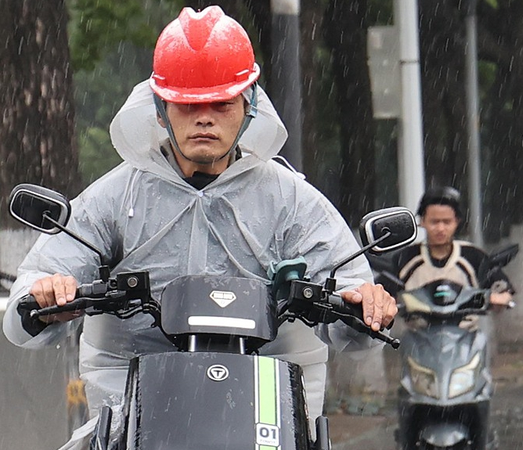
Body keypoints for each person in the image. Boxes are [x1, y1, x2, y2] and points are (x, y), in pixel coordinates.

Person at [2, 5, 395, 448]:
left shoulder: (292, 200)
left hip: (270, 414)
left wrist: (365, 302)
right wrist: (46, 296)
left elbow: (352, 293)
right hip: (132, 418)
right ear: (160, 109)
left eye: (221, 103)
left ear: (249, 105)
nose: (204, 117)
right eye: (188, 104)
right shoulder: (113, 197)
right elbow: (33, 290)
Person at [391, 186, 514, 307]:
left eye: (447, 222)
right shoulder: (405, 258)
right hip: (417, 321)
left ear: (457, 221)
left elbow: (502, 288)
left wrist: (499, 297)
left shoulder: (473, 256)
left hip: (466, 320)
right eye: (434, 222)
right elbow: (386, 290)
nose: (440, 228)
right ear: (422, 221)